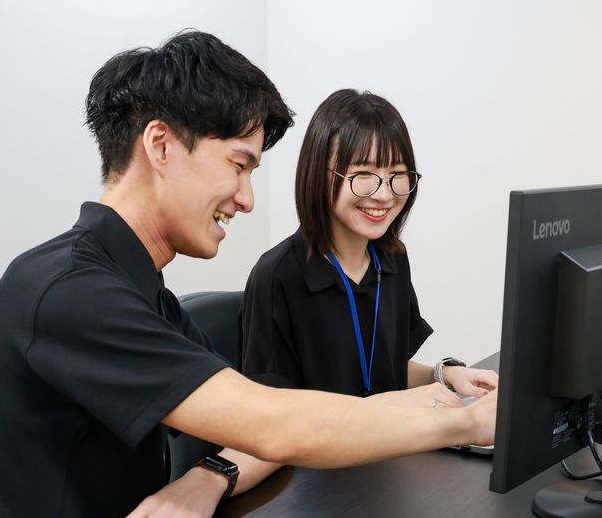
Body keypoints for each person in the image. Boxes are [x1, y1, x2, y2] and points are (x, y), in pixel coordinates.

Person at [0, 32, 497, 518]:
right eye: (238, 166)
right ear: (161, 146)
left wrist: (207, 478)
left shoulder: (141, 292)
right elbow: (273, 423)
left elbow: (252, 416)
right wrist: (469, 422)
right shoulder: (72, 291)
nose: (246, 198)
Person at [158, 90, 499, 515]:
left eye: (398, 175)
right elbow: (268, 427)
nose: (384, 194)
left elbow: (383, 369)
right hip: (309, 489)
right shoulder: (278, 276)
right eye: (364, 175)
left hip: (385, 473)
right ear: (321, 176)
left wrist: (444, 375)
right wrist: (205, 480)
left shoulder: (391, 259)